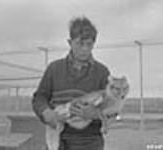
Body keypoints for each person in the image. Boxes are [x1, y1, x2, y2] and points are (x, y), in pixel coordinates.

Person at [32, 16, 110, 150]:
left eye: (89, 44)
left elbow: (112, 109)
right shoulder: (54, 69)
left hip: (90, 142)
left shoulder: (102, 73)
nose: (85, 49)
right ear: (70, 42)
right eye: (80, 43)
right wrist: (46, 113)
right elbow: (39, 98)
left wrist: (94, 113)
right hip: (57, 139)